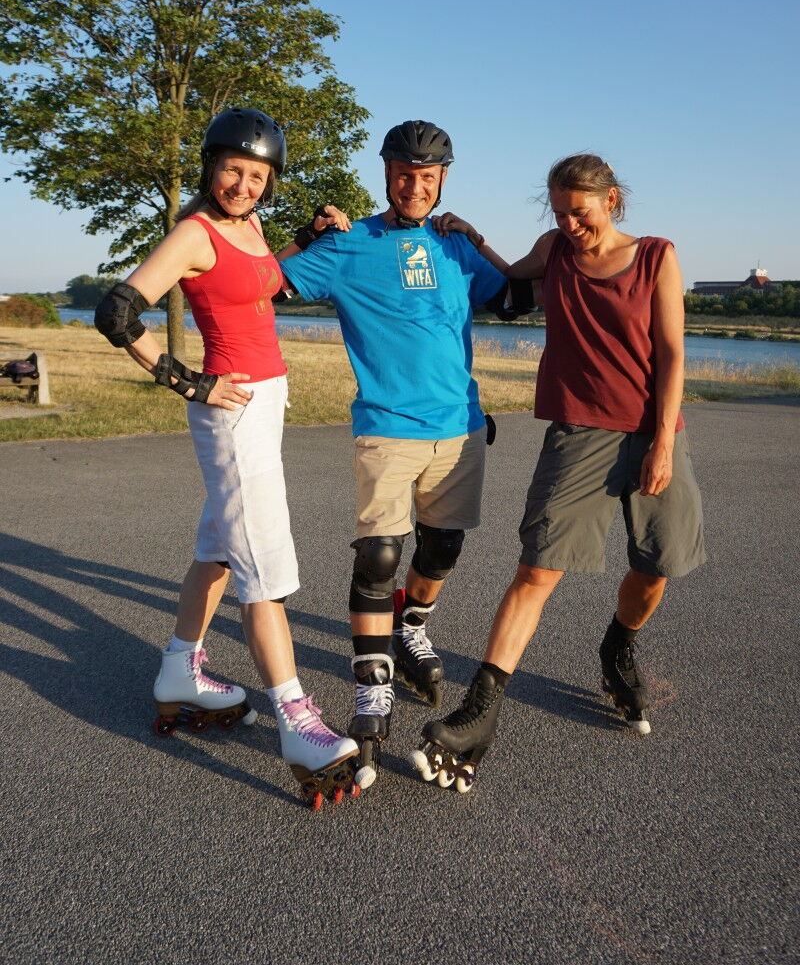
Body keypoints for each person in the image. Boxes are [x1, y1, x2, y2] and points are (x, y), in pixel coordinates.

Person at [410, 153, 706, 793]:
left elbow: (673, 353)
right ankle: (478, 712)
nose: (571, 225)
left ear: (611, 200)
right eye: (560, 213)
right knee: (537, 567)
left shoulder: (656, 256)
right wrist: (470, 235)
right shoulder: (556, 250)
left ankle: (617, 646)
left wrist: (662, 442)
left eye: (581, 212)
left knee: (656, 565)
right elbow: (509, 276)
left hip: (653, 430)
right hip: (579, 430)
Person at [94, 106, 359, 809]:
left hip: (265, 402)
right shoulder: (193, 233)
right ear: (211, 166)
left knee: (218, 547)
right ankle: (297, 722)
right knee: (262, 569)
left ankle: (180, 668)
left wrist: (311, 238)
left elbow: (263, 283)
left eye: (257, 176)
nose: (243, 185)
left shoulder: (250, 226)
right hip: (231, 412)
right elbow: (117, 312)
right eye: (232, 170)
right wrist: (191, 381)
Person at [277, 119, 533, 789]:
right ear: (386, 174)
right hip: (388, 427)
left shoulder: (454, 246)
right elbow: (264, 285)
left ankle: (410, 626)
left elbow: (517, 299)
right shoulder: (349, 244)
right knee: (380, 556)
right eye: (402, 174)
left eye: (426, 176)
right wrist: (306, 233)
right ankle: (371, 692)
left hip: (460, 427)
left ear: (442, 180)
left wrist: (477, 237)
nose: (413, 186)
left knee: (442, 549)